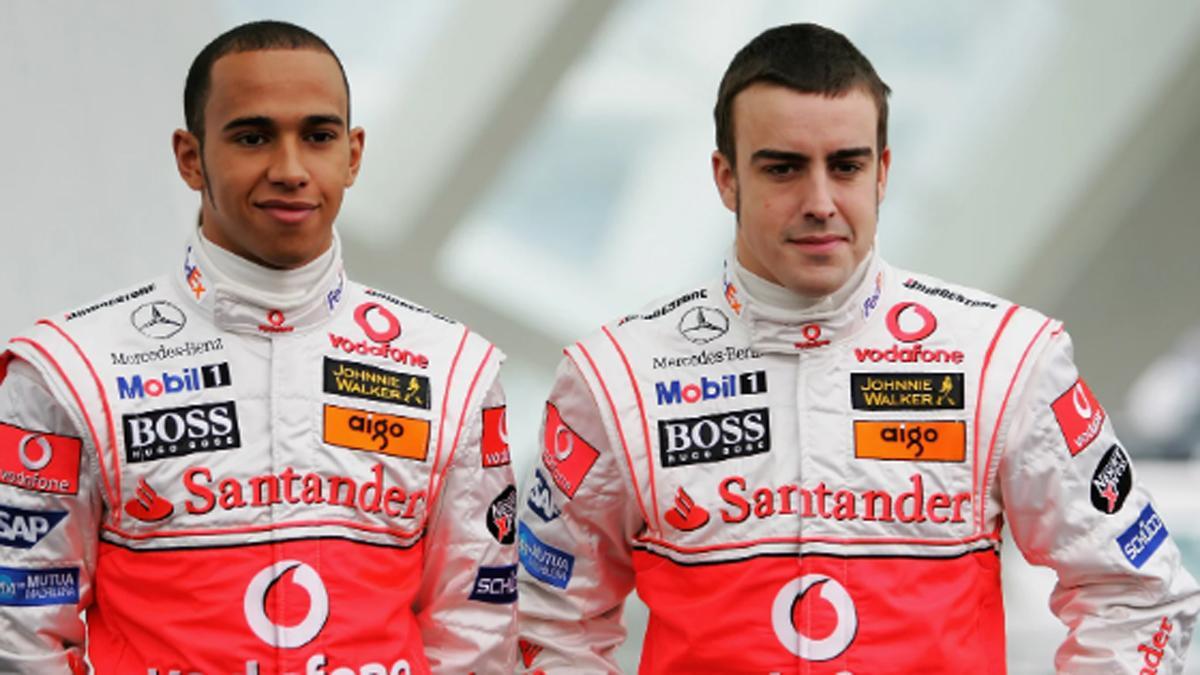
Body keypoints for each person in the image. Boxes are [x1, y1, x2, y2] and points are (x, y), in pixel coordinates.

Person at [516, 22, 1200, 673]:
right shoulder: (616, 378)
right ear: (726, 179)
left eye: (845, 166)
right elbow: (546, 616)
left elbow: (1138, 592)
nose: (820, 200)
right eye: (783, 169)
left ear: (883, 171)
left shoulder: (1003, 356)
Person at [0, 20, 516, 673]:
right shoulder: (68, 371)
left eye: (319, 137)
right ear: (191, 157)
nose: (290, 169)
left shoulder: (453, 370)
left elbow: (476, 627)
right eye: (253, 136)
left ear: (353, 154)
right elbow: (20, 634)